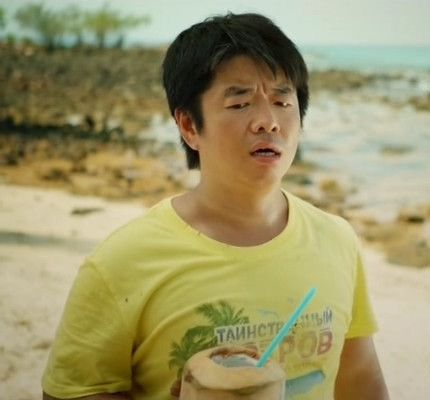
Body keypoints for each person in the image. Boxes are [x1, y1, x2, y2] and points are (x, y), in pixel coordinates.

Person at [42, 12, 389, 400]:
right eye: (240, 104)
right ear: (189, 126)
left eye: (282, 101)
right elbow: (71, 393)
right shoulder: (123, 261)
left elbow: (360, 378)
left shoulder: (336, 240)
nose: (268, 122)